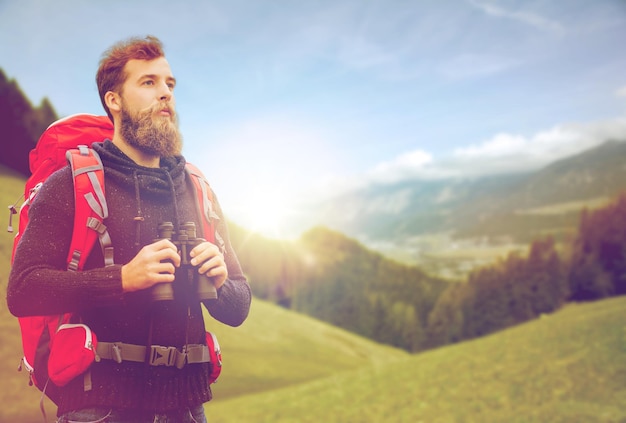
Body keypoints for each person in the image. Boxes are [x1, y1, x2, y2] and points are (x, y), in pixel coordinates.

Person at [7, 35, 251, 423]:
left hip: (187, 409)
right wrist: (122, 279)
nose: (165, 94)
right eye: (148, 82)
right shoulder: (73, 183)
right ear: (113, 100)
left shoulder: (196, 188)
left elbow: (239, 306)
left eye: (170, 84)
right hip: (99, 408)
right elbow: (23, 292)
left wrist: (220, 282)